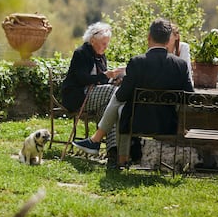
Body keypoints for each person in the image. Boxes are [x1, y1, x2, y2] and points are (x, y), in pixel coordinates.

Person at [72, 18, 194, 168]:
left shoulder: (137, 62)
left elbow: (122, 95)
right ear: (169, 38)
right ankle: (99, 143)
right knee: (119, 103)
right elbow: (189, 96)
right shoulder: (180, 65)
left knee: (120, 107)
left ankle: (119, 157)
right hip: (169, 123)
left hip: (136, 122)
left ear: (149, 37)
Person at [61, 22, 125, 155]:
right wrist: (105, 75)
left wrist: (114, 79)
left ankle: (112, 152)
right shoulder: (81, 53)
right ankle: (96, 143)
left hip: (94, 97)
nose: (106, 46)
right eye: (103, 43)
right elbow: (82, 79)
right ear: (92, 41)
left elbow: (101, 81)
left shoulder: (101, 57)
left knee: (109, 111)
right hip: (77, 96)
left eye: (107, 43)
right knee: (114, 94)